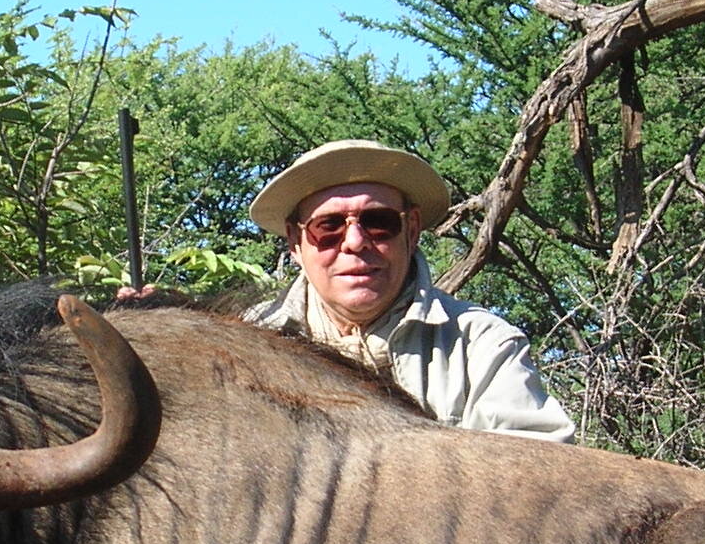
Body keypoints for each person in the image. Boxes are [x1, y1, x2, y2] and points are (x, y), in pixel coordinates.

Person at [241, 140, 574, 442]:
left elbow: (542, 479)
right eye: (327, 227)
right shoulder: (246, 342)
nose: (355, 242)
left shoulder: (482, 345)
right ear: (295, 243)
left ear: (411, 230)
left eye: (378, 222)